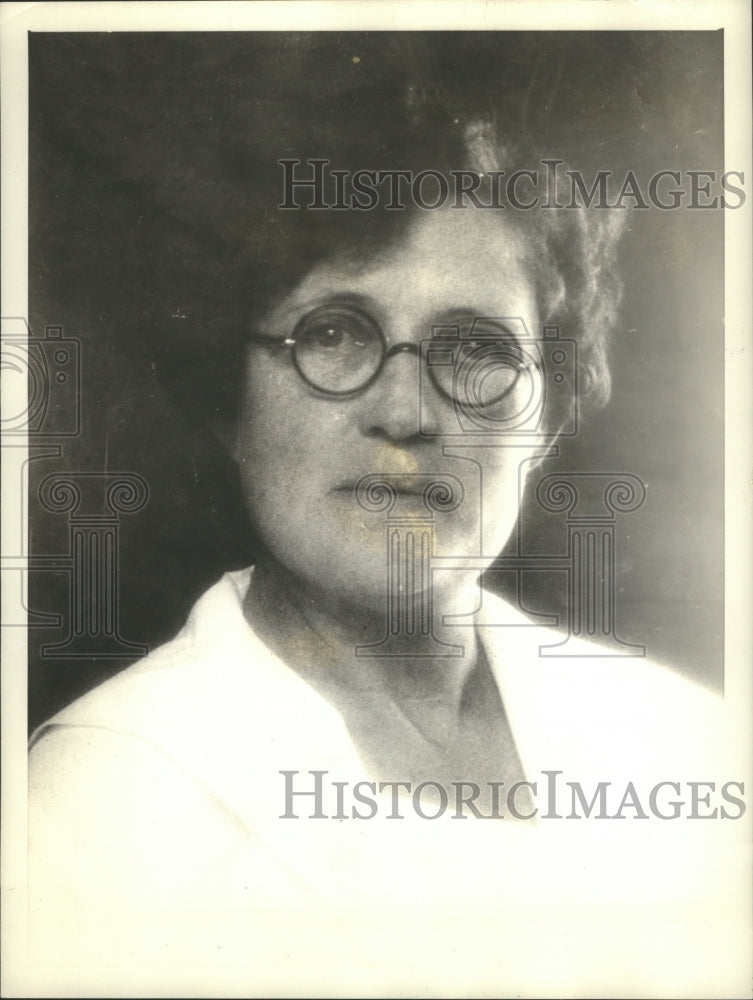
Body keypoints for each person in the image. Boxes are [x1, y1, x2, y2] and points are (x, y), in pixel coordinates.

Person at [27, 38, 734, 995]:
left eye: (474, 349)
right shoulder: (107, 802)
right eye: (333, 333)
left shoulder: (687, 739)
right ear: (230, 403)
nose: (403, 411)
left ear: (549, 418)